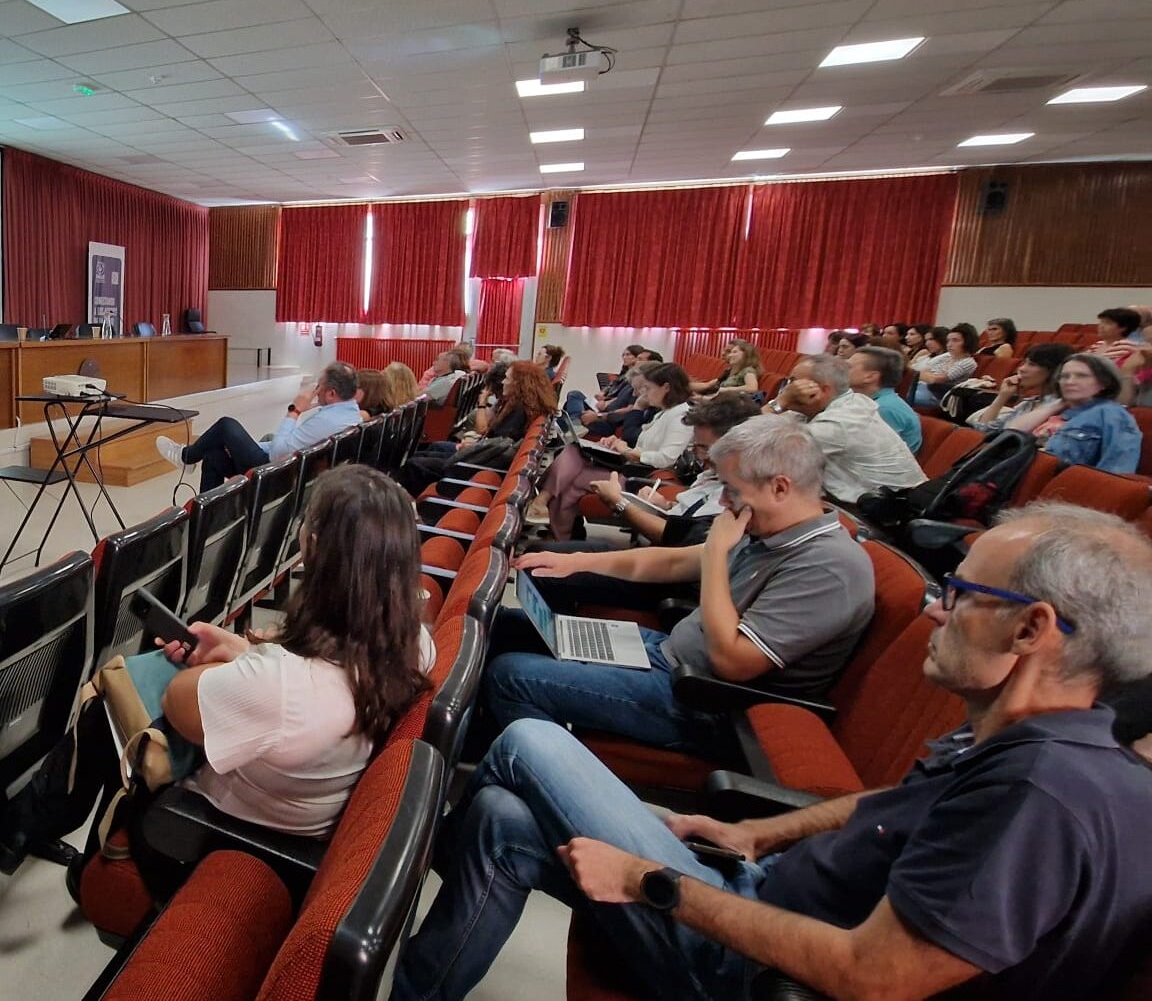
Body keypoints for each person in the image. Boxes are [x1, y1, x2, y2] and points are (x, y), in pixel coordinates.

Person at [392, 504, 1152, 1001]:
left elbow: (873, 976)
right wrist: (759, 831)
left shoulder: (1039, 795)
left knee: (525, 739)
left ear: (1031, 630)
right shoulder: (1027, 736)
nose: (933, 608)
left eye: (961, 593)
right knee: (498, 814)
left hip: (754, 969)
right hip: (759, 882)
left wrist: (655, 882)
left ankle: (400, 854)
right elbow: (891, 806)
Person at [488, 416, 873, 762]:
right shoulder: (771, 531)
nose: (723, 502)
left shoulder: (830, 567)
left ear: (779, 488)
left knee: (511, 675)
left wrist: (719, 554)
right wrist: (573, 564)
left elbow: (732, 662)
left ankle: (546, 779)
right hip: (669, 654)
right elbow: (672, 561)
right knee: (505, 627)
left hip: (704, 700)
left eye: (732, 490)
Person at [158, 465, 433, 837]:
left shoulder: (281, 686)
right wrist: (243, 652)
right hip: (307, 814)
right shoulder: (416, 641)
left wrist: (246, 665)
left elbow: (176, 703)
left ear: (313, 546)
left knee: (121, 694)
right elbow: (291, 694)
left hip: (218, 833)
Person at [531, 363, 695, 540]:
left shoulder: (681, 416)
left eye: (648, 388)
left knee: (574, 477)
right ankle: (559, 534)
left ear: (666, 387)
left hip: (642, 479)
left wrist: (630, 452)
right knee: (574, 451)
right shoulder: (664, 412)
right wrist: (619, 443)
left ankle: (548, 513)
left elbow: (666, 458)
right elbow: (645, 446)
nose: (643, 394)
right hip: (632, 466)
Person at [588, 393, 762, 545]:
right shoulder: (713, 473)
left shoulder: (735, 494)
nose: (698, 456)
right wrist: (665, 505)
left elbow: (675, 539)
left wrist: (619, 502)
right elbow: (690, 514)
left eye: (703, 447)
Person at [158, 361, 360, 489]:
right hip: (290, 467)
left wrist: (294, 411)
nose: (315, 391)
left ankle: (187, 457)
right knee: (213, 457)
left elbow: (278, 453)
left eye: (319, 387)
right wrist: (246, 447)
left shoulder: (327, 420)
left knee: (226, 426)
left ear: (331, 394)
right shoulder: (351, 414)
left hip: (276, 471)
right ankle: (210, 521)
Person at [772, 355, 926, 501]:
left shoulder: (841, 422)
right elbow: (759, 431)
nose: (788, 388)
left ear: (822, 390)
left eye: (794, 382)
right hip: (868, 501)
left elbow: (756, 451)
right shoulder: (845, 401)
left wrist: (781, 401)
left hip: (887, 513)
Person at [1006, 353, 1142, 474]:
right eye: (1064, 376)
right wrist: (1056, 405)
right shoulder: (1058, 408)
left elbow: (1117, 469)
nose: (1069, 382)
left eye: (1082, 376)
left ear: (1104, 383)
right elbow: (1010, 433)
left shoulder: (1112, 414)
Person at [968, 342, 1070, 432]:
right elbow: (983, 430)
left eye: (1032, 364)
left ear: (1053, 370)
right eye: (1025, 363)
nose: (1021, 369)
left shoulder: (1059, 407)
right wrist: (1002, 397)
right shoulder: (1028, 403)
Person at [847, 346, 922, 452]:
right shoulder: (869, 401)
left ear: (870, 377)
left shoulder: (883, 409)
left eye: (848, 366)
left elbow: (870, 454)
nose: (841, 370)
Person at [470, 360, 553, 442]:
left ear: (518, 384)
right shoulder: (525, 405)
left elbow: (496, 441)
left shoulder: (518, 410)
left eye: (507, 378)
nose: (503, 382)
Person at [909, 324, 978, 409]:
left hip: (937, 395)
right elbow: (923, 370)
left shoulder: (968, 362)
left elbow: (936, 380)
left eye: (955, 340)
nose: (949, 344)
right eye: (948, 341)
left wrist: (926, 375)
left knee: (900, 396)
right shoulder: (947, 356)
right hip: (920, 386)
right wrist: (925, 375)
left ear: (967, 342)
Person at [563, 345, 643, 418]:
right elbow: (611, 385)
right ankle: (575, 422)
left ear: (636, 357)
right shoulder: (624, 374)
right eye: (623, 355)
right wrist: (602, 392)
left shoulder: (634, 379)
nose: (624, 357)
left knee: (574, 396)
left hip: (606, 406)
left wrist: (605, 400)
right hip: (601, 402)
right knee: (573, 399)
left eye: (628, 355)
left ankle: (575, 422)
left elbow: (621, 398)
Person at [691, 339, 762, 397]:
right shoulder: (729, 371)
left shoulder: (748, 370)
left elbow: (752, 388)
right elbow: (708, 385)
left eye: (734, 352)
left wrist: (727, 389)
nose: (729, 355)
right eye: (730, 352)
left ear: (746, 354)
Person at [1091, 307, 1146, 377]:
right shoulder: (1097, 344)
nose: (1101, 326)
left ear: (1123, 328)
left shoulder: (1128, 347)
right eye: (1101, 322)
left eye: (1108, 323)